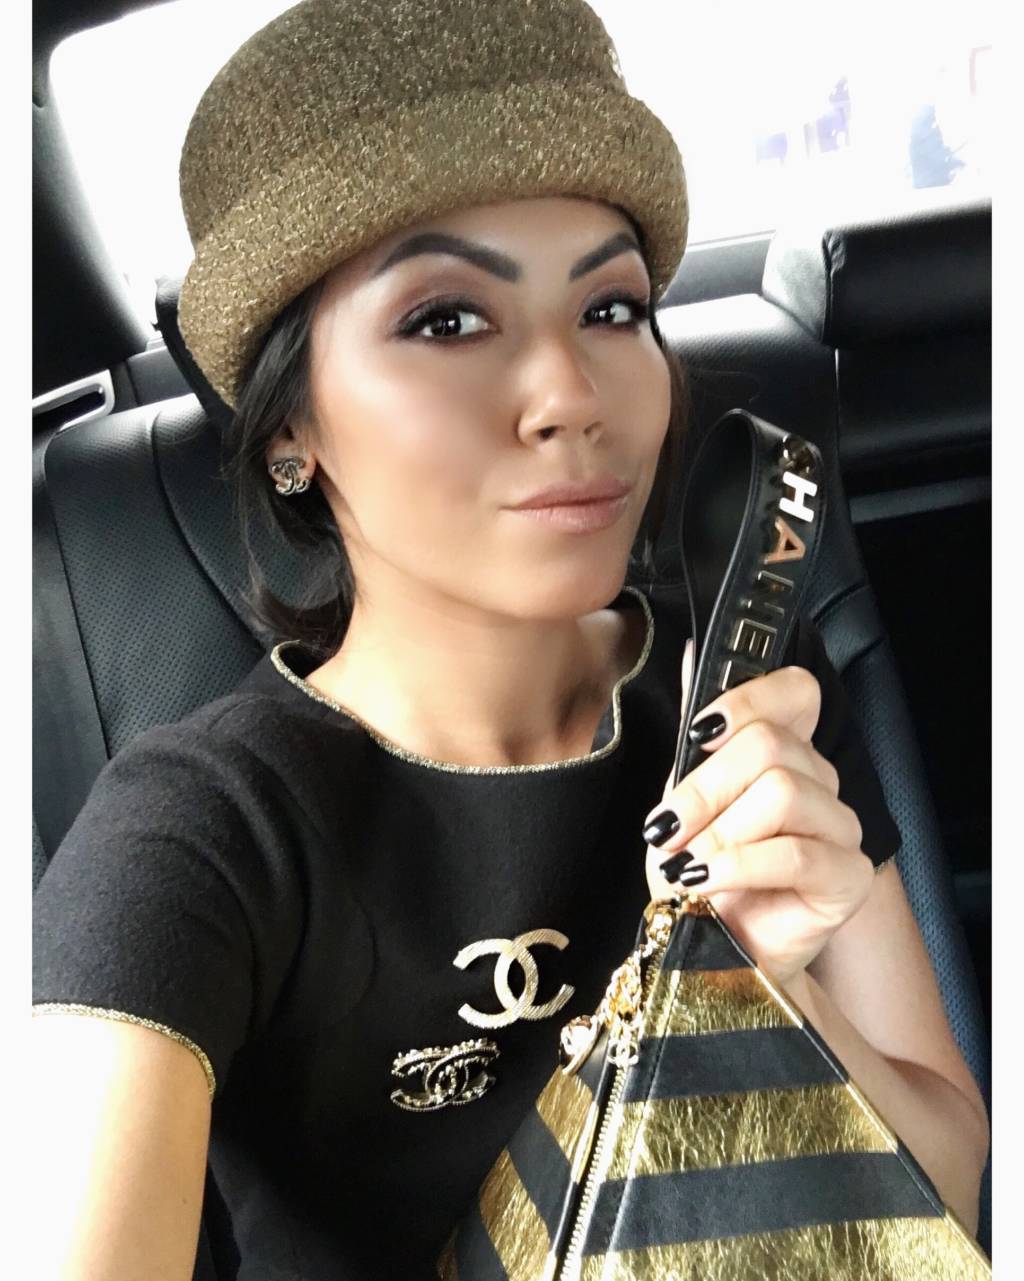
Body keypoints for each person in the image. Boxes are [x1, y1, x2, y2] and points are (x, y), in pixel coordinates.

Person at [32, 2, 988, 1278]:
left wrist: (781, 999)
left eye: (612, 307)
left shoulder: (746, 694)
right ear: (289, 427)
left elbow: (948, 1182)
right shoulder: (199, 833)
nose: (570, 395)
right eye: (446, 320)